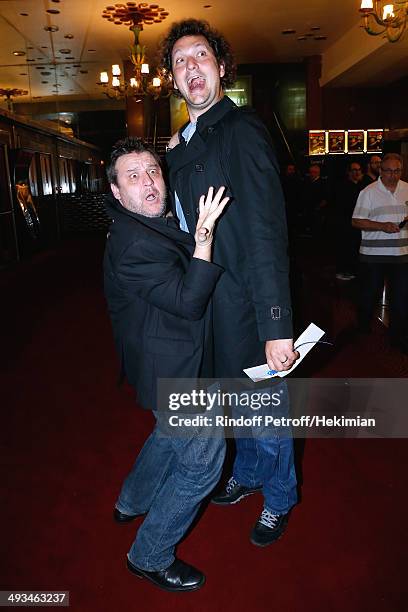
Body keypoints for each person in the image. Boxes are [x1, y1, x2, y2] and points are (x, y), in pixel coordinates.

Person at [161, 19, 299, 547]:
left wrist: (277, 322)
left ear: (221, 68)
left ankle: (281, 496)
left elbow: (266, 231)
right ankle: (248, 473)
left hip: (246, 303)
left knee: (266, 410)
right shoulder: (188, 141)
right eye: (180, 61)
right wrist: (176, 148)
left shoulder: (242, 131)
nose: (191, 67)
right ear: (174, 79)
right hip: (208, 309)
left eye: (201, 56)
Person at [103, 136, 230, 592]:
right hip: (174, 370)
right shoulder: (135, 242)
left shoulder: (139, 221)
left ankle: (131, 500)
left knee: (166, 434)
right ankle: (148, 555)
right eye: (133, 178)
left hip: (161, 358)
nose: (148, 184)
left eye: (153, 171)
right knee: (201, 466)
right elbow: (189, 301)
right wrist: (205, 236)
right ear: (117, 192)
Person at [352, 153, 408, 353]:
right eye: (389, 171)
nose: (393, 175)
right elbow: (356, 221)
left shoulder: (407, 189)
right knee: (369, 294)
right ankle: (363, 328)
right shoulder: (368, 192)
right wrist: (381, 226)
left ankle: (398, 337)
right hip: (373, 255)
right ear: (380, 170)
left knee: (401, 298)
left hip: (401, 255)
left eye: (397, 171)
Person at [334, 161, 364, 281]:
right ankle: (343, 271)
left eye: (358, 170)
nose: (356, 172)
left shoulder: (361, 186)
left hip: (358, 223)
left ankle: (353, 270)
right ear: (349, 172)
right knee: (346, 247)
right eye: (354, 170)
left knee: (355, 247)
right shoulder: (343, 186)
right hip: (346, 223)